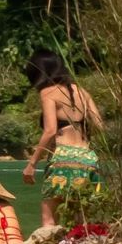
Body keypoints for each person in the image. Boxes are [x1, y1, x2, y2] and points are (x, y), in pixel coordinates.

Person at [22, 51, 104, 228]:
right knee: (81, 219)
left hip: (62, 159)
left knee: (49, 218)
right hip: (88, 158)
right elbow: (99, 125)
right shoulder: (83, 92)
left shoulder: (48, 93)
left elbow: (50, 130)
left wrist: (32, 164)